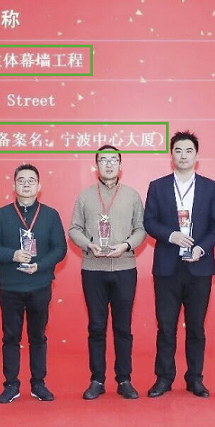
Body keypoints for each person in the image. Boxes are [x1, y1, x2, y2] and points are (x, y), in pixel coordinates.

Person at [144, 130, 215, 398]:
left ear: (196, 156)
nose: (183, 155)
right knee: (166, 327)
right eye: (178, 150)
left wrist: (201, 248)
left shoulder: (210, 187)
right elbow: (149, 221)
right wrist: (171, 235)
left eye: (189, 151)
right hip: (167, 268)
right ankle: (164, 378)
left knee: (196, 328)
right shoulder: (158, 186)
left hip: (199, 267)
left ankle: (195, 378)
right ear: (171, 155)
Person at [0, 163, 68, 404]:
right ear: (14, 186)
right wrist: (13, 255)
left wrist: (39, 266)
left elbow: (60, 249)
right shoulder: (2, 215)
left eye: (31, 180)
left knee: (38, 336)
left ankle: (38, 383)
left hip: (40, 285)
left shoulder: (50, 215)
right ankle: (11, 384)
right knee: (11, 337)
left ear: (39, 186)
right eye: (21, 180)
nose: (26, 184)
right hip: (10, 287)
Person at [68, 144, 147, 400]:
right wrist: (88, 244)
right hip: (93, 269)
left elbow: (141, 229)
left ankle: (124, 379)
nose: (109, 164)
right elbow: (74, 229)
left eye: (113, 160)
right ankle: (97, 380)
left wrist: (126, 245)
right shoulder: (85, 196)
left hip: (125, 268)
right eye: (103, 160)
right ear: (96, 166)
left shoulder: (132, 196)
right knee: (96, 326)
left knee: (123, 328)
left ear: (121, 165)